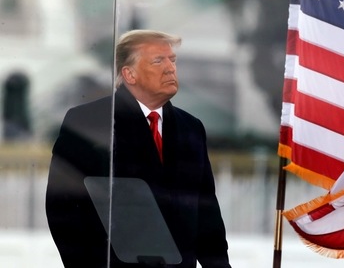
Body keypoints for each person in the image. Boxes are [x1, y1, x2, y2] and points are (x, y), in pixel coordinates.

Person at [45, 30, 231, 268]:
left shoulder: (191, 128)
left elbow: (207, 214)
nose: (170, 68)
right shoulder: (88, 121)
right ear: (129, 74)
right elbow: (63, 207)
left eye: (172, 60)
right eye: (158, 60)